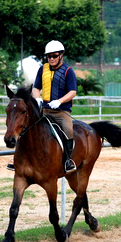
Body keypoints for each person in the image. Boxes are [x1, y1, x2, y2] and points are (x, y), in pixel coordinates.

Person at [32, 40, 77, 173]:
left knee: (68, 130)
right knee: (26, 127)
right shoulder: (42, 69)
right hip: (44, 110)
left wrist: (59, 101)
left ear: (61, 55)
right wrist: (37, 98)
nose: (51, 59)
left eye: (54, 56)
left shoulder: (68, 71)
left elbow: (73, 92)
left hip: (61, 112)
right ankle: (18, 158)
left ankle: (68, 160)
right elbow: (35, 88)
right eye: (49, 56)